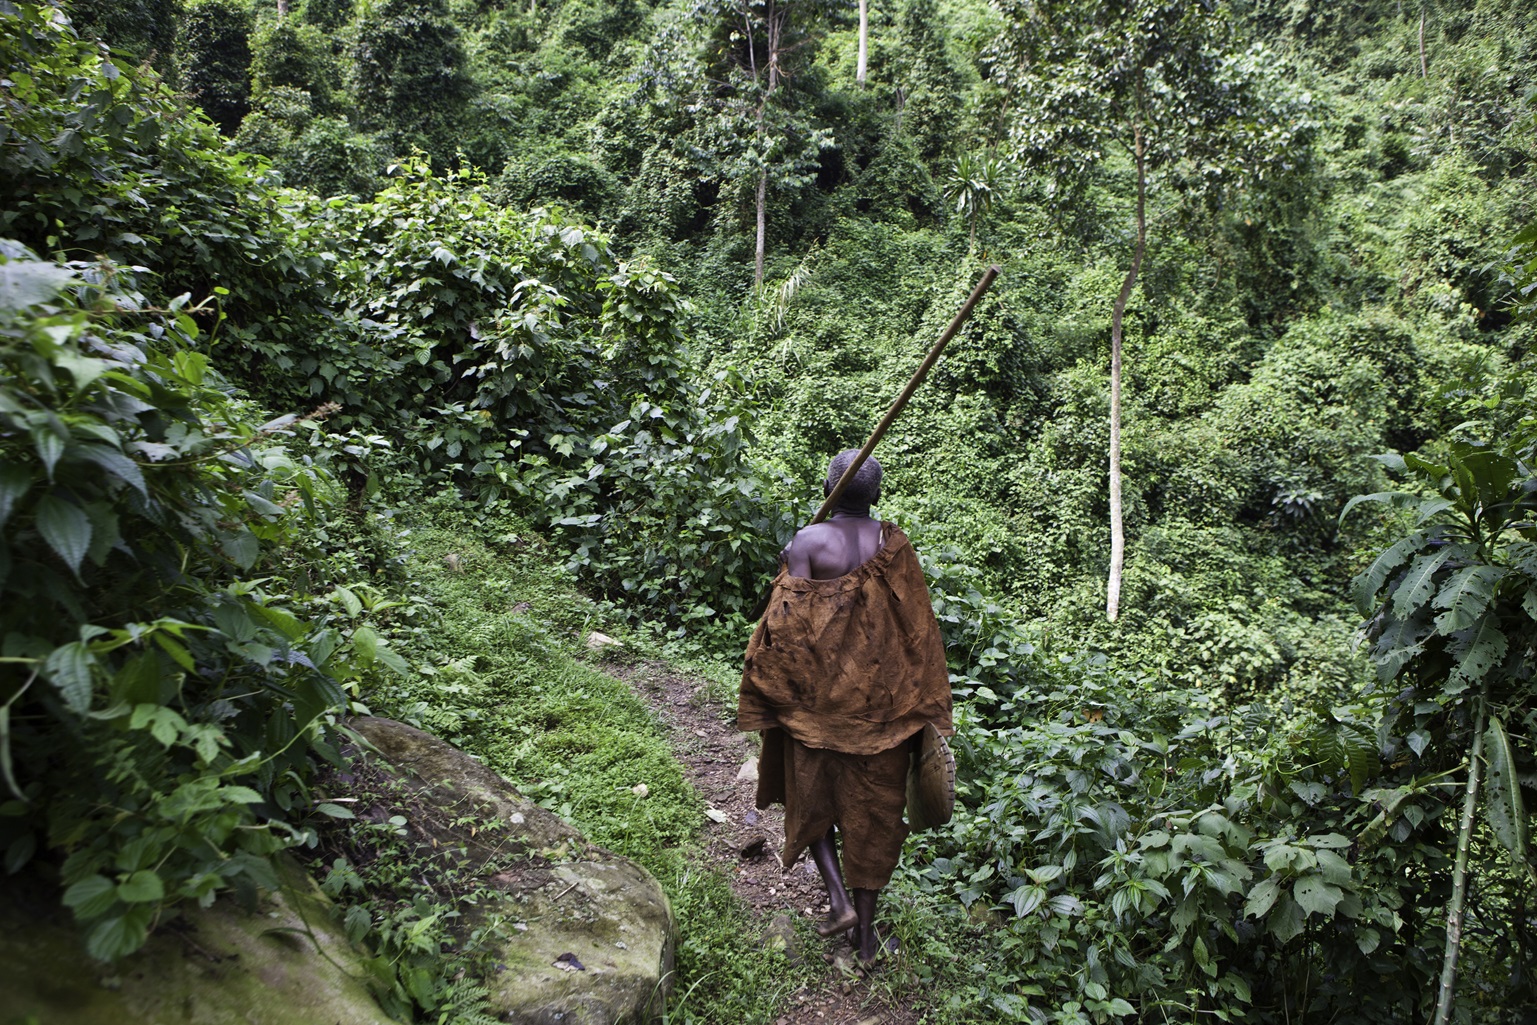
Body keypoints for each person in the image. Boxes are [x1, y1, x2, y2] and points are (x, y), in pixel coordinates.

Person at [737, 449, 953, 966]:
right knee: (873, 820)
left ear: (829, 489)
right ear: (875, 495)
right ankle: (864, 940)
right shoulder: (893, 544)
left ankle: (837, 901)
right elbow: (917, 632)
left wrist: (787, 571)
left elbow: (787, 629)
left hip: (815, 712)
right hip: (882, 713)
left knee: (810, 801)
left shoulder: (807, 542)